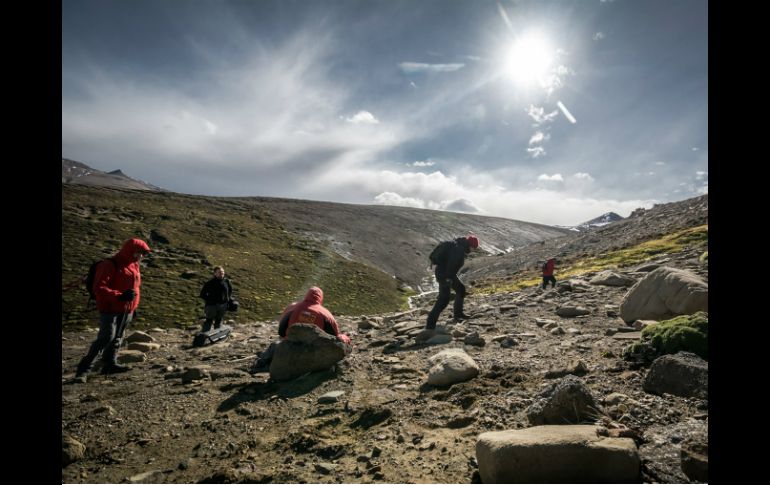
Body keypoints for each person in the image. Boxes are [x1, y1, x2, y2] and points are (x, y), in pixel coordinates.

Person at [74, 238, 151, 383]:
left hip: (127, 309)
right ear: (130, 251)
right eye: (140, 253)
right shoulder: (109, 264)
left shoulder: (134, 265)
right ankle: (83, 370)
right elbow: (99, 288)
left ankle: (110, 364)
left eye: (144, 254)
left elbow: (135, 288)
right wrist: (120, 296)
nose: (142, 256)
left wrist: (134, 307)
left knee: (118, 338)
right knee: (105, 338)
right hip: (110, 309)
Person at [251, 286, 351, 372]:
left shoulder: (292, 307)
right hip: (314, 350)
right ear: (321, 298)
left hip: (290, 346)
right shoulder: (325, 314)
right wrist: (345, 338)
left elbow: (281, 331)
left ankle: (261, 363)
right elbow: (334, 336)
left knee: (275, 345)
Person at [421, 234, 480, 340]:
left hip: (447, 274)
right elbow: (452, 265)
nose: (473, 250)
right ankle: (430, 327)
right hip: (445, 275)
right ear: (470, 245)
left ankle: (458, 314)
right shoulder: (458, 249)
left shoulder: (459, 246)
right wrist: (448, 279)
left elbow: (451, 265)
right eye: (473, 248)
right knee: (443, 300)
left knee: (461, 289)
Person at [199, 266, 233, 332]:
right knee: (209, 321)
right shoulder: (210, 283)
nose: (222, 273)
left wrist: (227, 299)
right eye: (219, 272)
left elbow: (230, 291)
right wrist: (210, 300)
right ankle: (203, 336)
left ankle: (217, 335)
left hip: (223, 305)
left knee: (219, 320)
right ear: (215, 273)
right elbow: (202, 294)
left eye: (223, 272)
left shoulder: (226, 281)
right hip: (211, 306)